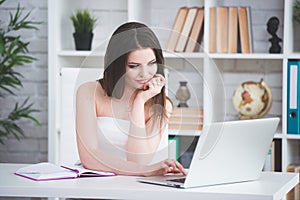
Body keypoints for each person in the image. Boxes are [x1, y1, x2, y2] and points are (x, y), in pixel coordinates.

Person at [76, 22, 187, 176]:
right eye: (134, 66)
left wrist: (139, 102)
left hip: (134, 188)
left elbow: (137, 161)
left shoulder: (162, 105)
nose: (145, 74)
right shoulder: (89, 92)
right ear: (117, 65)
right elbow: (89, 157)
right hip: (94, 184)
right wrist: (145, 170)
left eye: (151, 63)